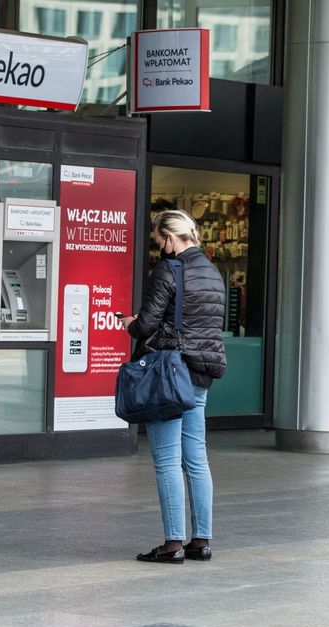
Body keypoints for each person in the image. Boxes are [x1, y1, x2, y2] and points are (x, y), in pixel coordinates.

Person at [121, 210, 227, 564]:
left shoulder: (169, 270)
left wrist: (131, 323)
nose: (161, 248)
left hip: (170, 374)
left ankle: (172, 544)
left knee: (167, 461)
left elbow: (148, 323)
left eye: (160, 241)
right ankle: (202, 540)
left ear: (170, 239)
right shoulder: (213, 273)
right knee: (196, 458)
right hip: (200, 375)